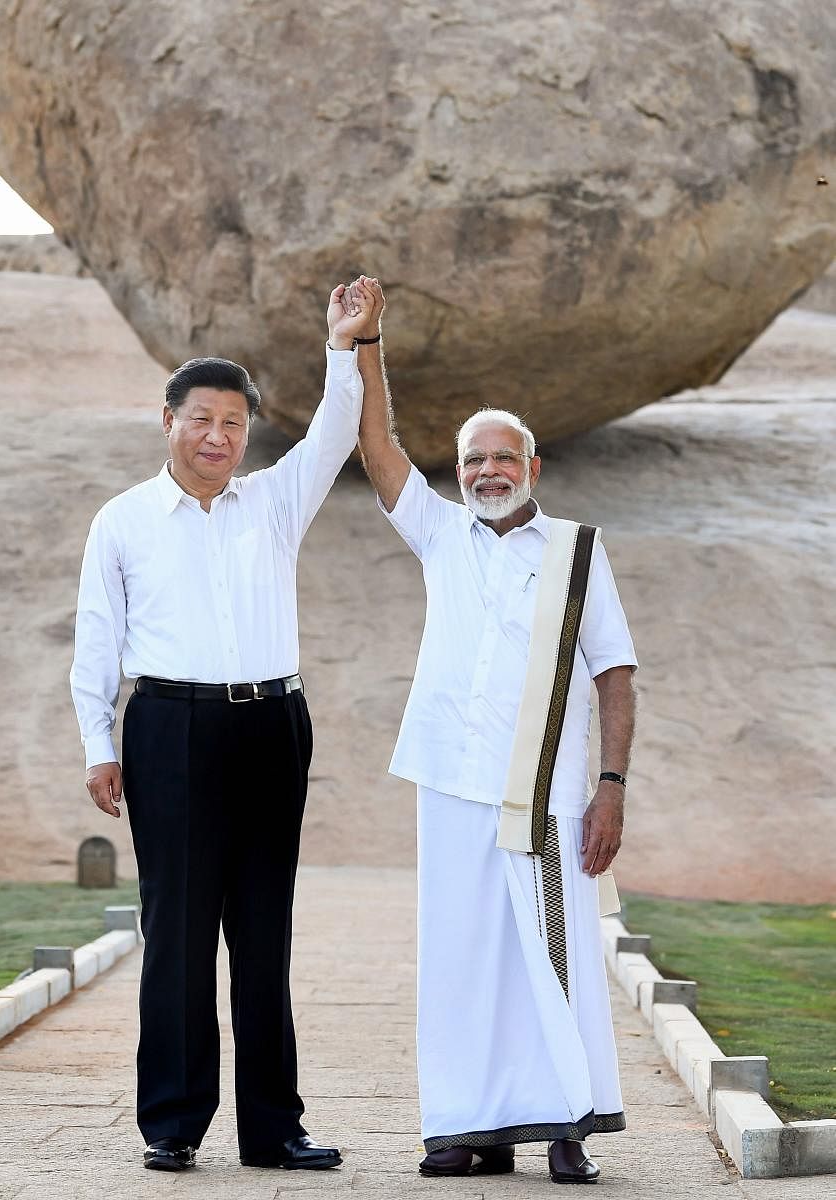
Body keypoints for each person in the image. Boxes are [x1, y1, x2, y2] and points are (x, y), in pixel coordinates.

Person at [70, 281, 376, 1173]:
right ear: (168, 421)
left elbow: (334, 431)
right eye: (202, 419)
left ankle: (274, 1129)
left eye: (235, 423)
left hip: (274, 725)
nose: (219, 436)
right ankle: (172, 1122)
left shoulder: (275, 502)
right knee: (178, 930)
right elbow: (97, 644)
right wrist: (100, 745)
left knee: (263, 929)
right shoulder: (122, 521)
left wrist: (343, 344)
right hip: (169, 728)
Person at [351, 276, 638, 1185]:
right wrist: (367, 343)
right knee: (463, 956)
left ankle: (566, 1126)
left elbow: (615, 673)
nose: (484, 472)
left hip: (545, 792)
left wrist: (611, 787)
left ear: (533, 468)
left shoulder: (577, 553)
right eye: (472, 459)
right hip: (449, 783)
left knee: (552, 956)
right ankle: (468, 1129)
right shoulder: (442, 536)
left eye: (501, 458)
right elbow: (379, 446)